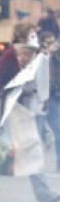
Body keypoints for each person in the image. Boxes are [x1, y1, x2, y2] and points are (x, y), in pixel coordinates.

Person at [0, 41, 60, 202]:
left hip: (21, 112)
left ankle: (43, 193)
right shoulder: (9, 58)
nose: (26, 57)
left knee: (31, 148)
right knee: (0, 151)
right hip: (6, 111)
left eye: (29, 54)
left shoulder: (32, 64)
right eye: (24, 53)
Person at [42, 30, 60, 171]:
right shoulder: (40, 56)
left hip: (53, 97)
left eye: (54, 42)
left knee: (58, 129)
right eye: (49, 43)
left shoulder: (56, 58)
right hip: (38, 99)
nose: (53, 45)